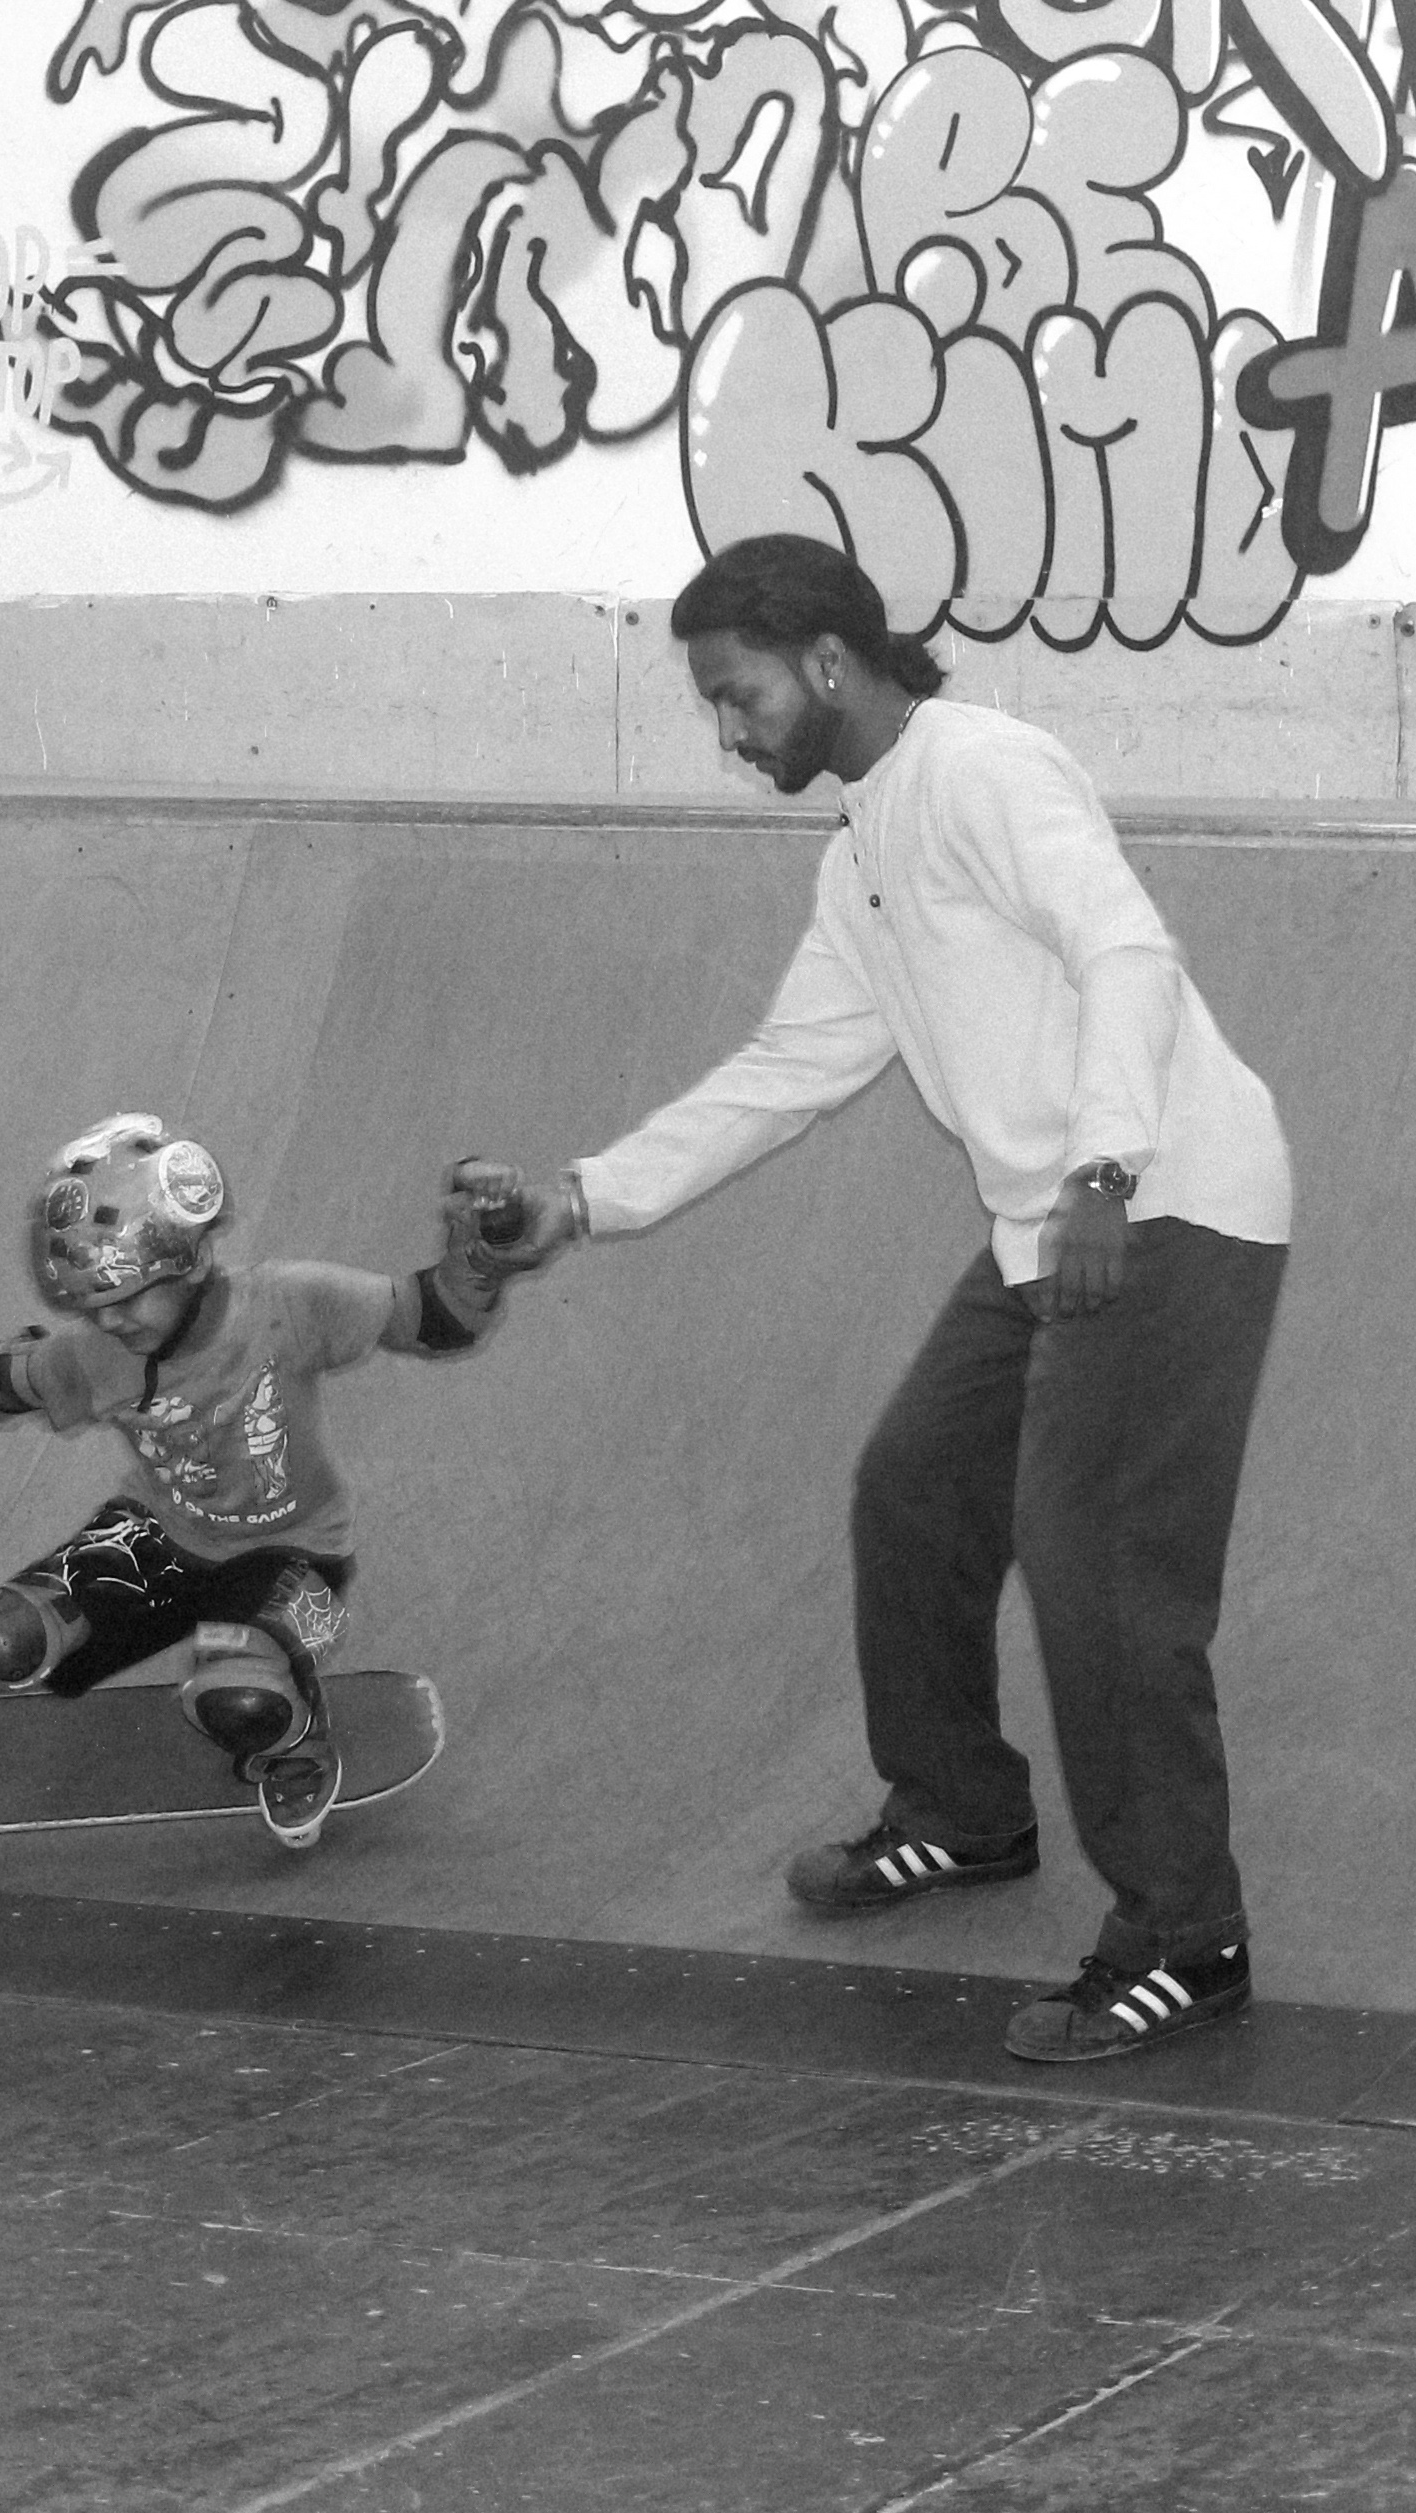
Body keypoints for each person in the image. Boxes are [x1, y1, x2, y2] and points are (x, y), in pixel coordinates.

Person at [478, 534, 1293, 2064]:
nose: (730, 733)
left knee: (1099, 1567)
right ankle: (964, 1809)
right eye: (714, 707)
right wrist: (585, 1200)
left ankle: (1191, 1933)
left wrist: (1110, 1169)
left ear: (829, 663)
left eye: (740, 696)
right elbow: (791, 1069)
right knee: (916, 1488)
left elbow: (1126, 944)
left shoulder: (985, 771)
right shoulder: (861, 853)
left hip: (1163, 1205)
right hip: (1053, 1223)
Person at [0, 1112, 541, 1897]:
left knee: (238, 1699)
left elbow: (431, 1320)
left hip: (305, 1563)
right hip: (157, 1541)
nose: (111, 1320)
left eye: (129, 1298)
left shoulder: (289, 1304)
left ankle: (296, 1739)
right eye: (93, 1305)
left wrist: (490, 1241)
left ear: (190, 1260)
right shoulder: (97, 1356)